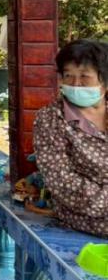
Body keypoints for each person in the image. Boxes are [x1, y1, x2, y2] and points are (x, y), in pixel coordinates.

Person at [33, 39, 108, 238]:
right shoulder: (51, 118)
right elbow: (60, 179)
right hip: (88, 216)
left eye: (85, 76)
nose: (76, 84)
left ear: (104, 81)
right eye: (68, 76)